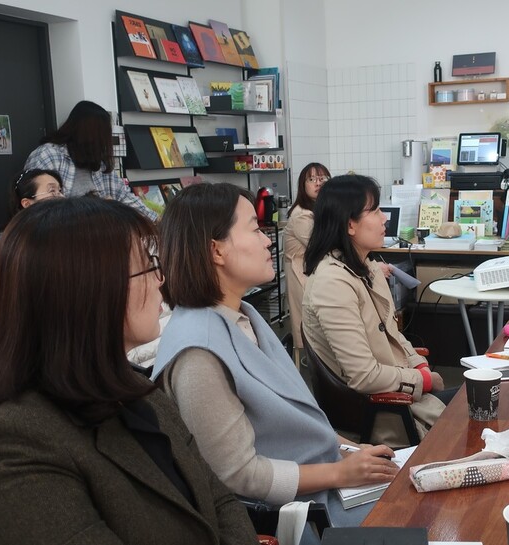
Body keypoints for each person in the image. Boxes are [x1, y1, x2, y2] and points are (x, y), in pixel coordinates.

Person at [0, 198, 257, 544]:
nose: (160, 279)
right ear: (88, 290)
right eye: (148, 267)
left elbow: (219, 500)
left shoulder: (134, 389)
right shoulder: (16, 448)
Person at [151, 183, 398, 530]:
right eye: (255, 229)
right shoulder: (197, 354)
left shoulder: (244, 314)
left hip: (326, 482)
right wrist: (340, 471)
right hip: (299, 515)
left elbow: (297, 419)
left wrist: (350, 451)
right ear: (216, 250)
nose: (268, 240)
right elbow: (240, 475)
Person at [301, 175, 452, 448]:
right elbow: (364, 375)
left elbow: (391, 333)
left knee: (483, 397)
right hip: (386, 412)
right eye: (375, 211)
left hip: (401, 394)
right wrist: (422, 379)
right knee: (479, 407)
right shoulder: (331, 283)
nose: (385, 219)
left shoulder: (367, 267)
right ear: (349, 224)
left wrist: (416, 362)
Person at [24, 100, 158, 221]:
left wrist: (156, 220)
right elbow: (40, 209)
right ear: (90, 134)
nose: (106, 142)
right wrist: (102, 207)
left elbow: (123, 196)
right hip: (60, 237)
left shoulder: (98, 162)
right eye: (104, 135)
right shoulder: (49, 155)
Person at [0, 168, 64, 311]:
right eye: (52, 191)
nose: (61, 197)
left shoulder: (52, 241)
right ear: (27, 203)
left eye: (60, 191)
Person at [283, 162, 330, 351]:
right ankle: (309, 364)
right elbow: (320, 245)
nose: (318, 183)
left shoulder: (320, 209)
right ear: (303, 186)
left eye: (323, 179)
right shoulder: (301, 215)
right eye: (312, 179)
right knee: (307, 323)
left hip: (314, 270)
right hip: (301, 273)